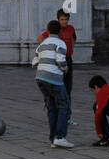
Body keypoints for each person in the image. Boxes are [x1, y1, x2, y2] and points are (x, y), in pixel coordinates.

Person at [32, 19, 73, 148]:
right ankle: (60, 136)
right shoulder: (60, 43)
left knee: (51, 107)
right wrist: (65, 69)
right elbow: (60, 60)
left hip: (40, 78)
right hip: (54, 78)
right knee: (64, 106)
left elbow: (34, 62)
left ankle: (52, 138)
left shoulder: (42, 44)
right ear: (60, 31)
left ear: (48, 31)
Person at [37, 9, 78, 113]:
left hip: (67, 59)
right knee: (57, 86)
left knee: (68, 87)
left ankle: (67, 113)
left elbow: (73, 39)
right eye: (62, 19)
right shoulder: (55, 29)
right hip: (56, 61)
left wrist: (70, 51)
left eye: (66, 19)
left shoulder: (71, 29)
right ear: (58, 20)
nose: (64, 22)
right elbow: (40, 39)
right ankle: (54, 108)